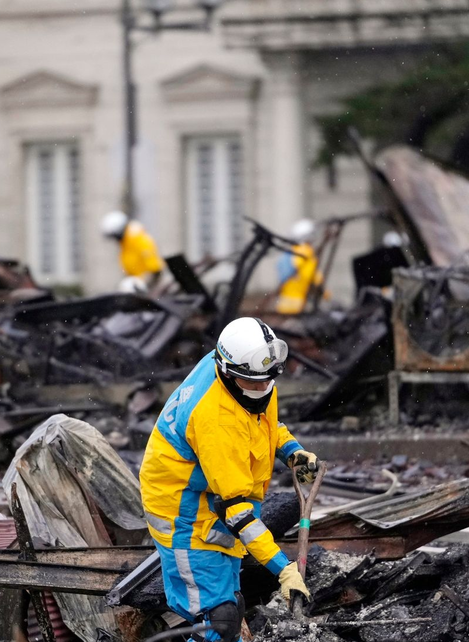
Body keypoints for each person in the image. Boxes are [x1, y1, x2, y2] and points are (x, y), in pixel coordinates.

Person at [140, 317, 319, 641]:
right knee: (216, 621)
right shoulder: (216, 421)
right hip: (184, 513)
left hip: (212, 494)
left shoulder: (251, 375)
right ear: (229, 372)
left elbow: (261, 423)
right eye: (254, 383)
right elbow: (237, 512)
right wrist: (283, 568)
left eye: (268, 381)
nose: (263, 389)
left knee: (231, 607)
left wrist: (292, 452)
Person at [101, 211, 163, 287]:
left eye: (115, 237)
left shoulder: (140, 241)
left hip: (151, 290)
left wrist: (142, 285)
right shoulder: (125, 246)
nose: (115, 241)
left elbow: (155, 270)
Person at [275, 219, 322, 315]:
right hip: (300, 304)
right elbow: (315, 279)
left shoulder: (289, 253)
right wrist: (326, 295)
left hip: (285, 302)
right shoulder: (306, 253)